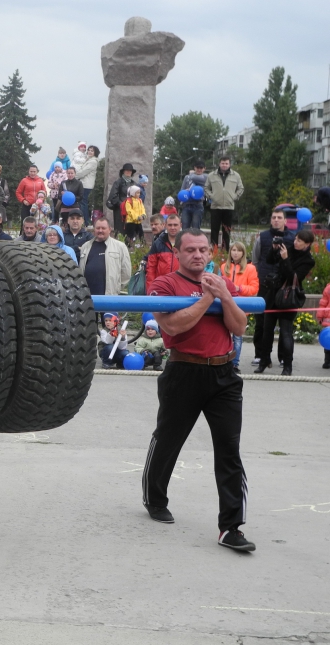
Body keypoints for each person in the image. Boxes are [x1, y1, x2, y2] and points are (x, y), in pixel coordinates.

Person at [142, 228, 253, 552]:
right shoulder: (164, 285)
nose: (198, 255)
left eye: (203, 250)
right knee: (168, 439)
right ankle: (155, 497)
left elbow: (239, 326)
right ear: (178, 252)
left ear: (210, 252)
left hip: (224, 374)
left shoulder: (222, 283)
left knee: (230, 450)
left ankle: (231, 527)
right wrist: (208, 298)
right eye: (191, 250)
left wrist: (225, 296)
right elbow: (173, 325)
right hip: (183, 372)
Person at [256, 230, 315, 376]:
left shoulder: (308, 260)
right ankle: (264, 361)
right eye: (295, 239)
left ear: (307, 244)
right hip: (274, 294)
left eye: (299, 241)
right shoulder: (288, 249)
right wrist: (274, 249)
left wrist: (285, 259)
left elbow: (294, 277)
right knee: (267, 331)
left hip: (289, 298)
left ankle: (287, 365)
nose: (295, 242)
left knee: (286, 333)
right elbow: (270, 260)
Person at [251, 208, 295, 368]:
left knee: (285, 324)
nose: (276, 220)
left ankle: (283, 357)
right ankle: (260, 355)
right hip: (265, 285)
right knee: (261, 322)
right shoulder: (262, 237)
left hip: (284, 287)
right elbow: (255, 259)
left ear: (285, 221)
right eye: (274, 217)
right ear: (271, 220)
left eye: (279, 217)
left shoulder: (292, 238)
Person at [220, 241, 258, 374]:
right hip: (225, 305)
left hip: (240, 306)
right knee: (223, 335)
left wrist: (239, 288)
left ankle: (235, 364)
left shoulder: (250, 268)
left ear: (243, 253)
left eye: (238, 250)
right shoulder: (224, 266)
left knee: (237, 336)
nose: (235, 253)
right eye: (233, 250)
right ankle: (224, 361)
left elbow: (254, 288)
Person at [79, 217, 131, 296]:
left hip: (109, 296)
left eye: (103, 228)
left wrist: (116, 288)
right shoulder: (85, 247)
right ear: (94, 230)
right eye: (98, 228)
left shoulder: (120, 247)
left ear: (109, 230)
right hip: (87, 297)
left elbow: (126, 273)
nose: (100, 230)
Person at [204, 157, 244, 252]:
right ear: (219, 164)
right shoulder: (211, 175)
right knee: (214, 230)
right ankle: (213, 251)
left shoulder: (236, 176)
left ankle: (225, 251)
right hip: (215, 206)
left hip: (229, 207)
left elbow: (241, 188)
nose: (224, 165)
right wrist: (211, 196)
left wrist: (234, 197)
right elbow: (206, 188)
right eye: (222, 163)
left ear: (229, 164)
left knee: (227, 230)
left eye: (226, 163)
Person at [146, 213, 182, 288]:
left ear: (180, 225)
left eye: (175, 225)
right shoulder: (158, 243)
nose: (172, 227)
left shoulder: (186, 243)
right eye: (170, 225)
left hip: (181, 286)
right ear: (165, 225)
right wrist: (150, 288)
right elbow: (151, 268)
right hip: (161, 286)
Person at [106, 163, 138, 236]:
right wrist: (122, 204)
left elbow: (138, 196)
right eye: (126, 170)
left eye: (130, 171)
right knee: (120, 231)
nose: (128, 172)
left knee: (131, 230)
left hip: (132, 211)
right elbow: (113, 196)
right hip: (120, 210)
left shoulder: (134, 183)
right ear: (123, 171)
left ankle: (131, 245)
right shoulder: (118, 182)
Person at [74, 145, 100, 223]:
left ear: (95, 153)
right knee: (83, 202)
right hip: (84, 184)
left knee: (83, 203)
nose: (89, 152)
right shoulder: (88, 160)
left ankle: (85, 221)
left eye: (92, 151)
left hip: (86, 184)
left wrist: (73, 176)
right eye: (89, 150)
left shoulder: (93, 161)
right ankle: (85, 220)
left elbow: (83, 172)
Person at [179, 161, 208, 229]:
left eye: (201, 168)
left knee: (196, 227)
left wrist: (191, 174)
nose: (199, 169)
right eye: (197, 167)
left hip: (198, 205)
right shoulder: (187, 177)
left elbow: (197, 178)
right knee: (185, 227)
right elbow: (181, 190)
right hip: (187, 204)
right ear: (194, 168)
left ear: (204, 169)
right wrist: (185, 191)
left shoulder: (206, 177)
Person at [318, 281, 330, 369]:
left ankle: (327, 362)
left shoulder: (328, 288)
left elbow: (323, 303)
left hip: (328, 319)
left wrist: (320, 316)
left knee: (328, 340)